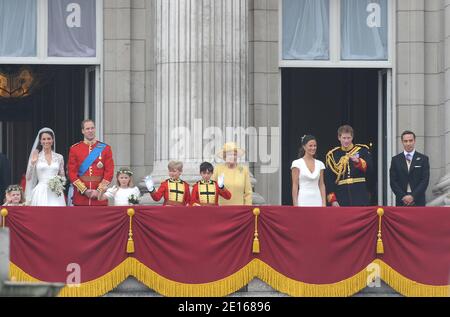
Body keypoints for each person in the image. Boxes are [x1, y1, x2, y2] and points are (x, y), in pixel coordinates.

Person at [68, 119, 114, 206]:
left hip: (99, 197)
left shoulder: (105, 148)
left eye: (92, 128)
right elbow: (72, 173)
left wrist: (99, 190)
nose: (90, 131)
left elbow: (109, 172)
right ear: (83, 131)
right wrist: (84, 190)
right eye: (87, 129)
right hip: (81, 197)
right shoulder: (75, 149)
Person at [325, 125, 373, 206]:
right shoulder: (333, 155)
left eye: (348, 138)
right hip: (341, 197)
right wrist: (333, 200)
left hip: (360, 195)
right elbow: (329, 180)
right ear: (339, 138)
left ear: (352, 137)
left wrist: (358, 162)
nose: (346, 141)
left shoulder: (362, 151)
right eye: (344, 138)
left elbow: (371, 171)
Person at [25, 128, 66, 206]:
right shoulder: (36, 157)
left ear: (52, 140)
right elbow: (28, 177)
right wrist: (32, 163)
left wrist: (58, 184)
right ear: (40, 141)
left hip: (55, 192)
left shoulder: (59, 157)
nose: (46, 141)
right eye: (43, 139)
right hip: (40, 191)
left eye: (48, 139)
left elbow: (62, 177)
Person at [389, 130, 430, 206]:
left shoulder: (423, 159)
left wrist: (413, 196)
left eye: (410, 141)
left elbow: (424, 180)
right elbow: (393, 181)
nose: (408, 143)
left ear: (414, 141)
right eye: (405, 141)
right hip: (401, 201)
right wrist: (403, 196)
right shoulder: (395, 160)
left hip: (418, 200)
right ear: (402, 142)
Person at [291, 135, 326, 206]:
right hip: (303, 199)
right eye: (310, 146)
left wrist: (324, 203)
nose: (313, 148)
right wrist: (295, 204)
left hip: (317, 199)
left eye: (315, 146)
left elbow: (321, 184)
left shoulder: (320, 164)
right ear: (304, 147)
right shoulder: (297, 163)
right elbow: (295, 184)